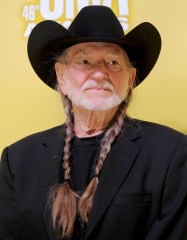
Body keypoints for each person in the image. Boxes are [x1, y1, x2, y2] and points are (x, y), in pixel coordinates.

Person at [0, 5, 187, 240]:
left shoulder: (173, 153)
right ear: (62, 76)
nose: (100, 73)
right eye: (85, 61)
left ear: (130, 79)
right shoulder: (16, 161)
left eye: (113, 62)